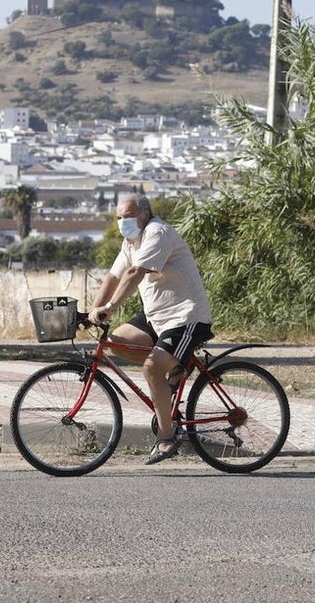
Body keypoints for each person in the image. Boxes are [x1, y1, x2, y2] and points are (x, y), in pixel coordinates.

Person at [88, 194, 214, 465]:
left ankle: (167, 437)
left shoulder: (158, 232)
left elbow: (134, 273)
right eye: (119, 217)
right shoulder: (131, 241)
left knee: (151, 368)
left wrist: (110, 307)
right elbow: (113, 277)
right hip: (156, 316)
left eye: (128, 216)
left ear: (144, 213)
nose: (123, 222)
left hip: (185, 317)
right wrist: (93, 311)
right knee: (116, 341)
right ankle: (177, 365)